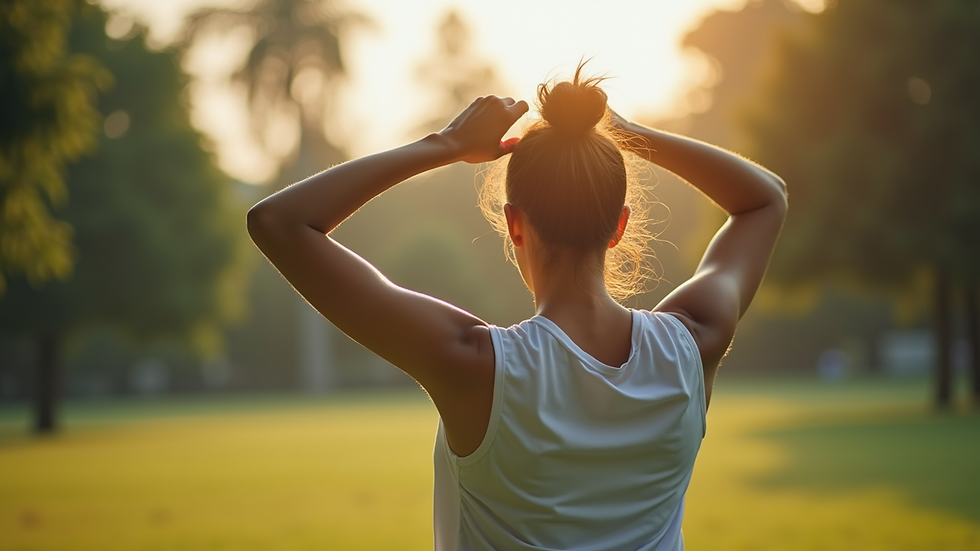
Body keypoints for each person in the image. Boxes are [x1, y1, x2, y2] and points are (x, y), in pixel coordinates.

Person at [247, 65, 787, 550]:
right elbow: (766, 197)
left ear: (514, 224)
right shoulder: (694, 340)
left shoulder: (473, 363)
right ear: (619, 226)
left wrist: (446, 144)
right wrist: (632, 137)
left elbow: (280, 222)